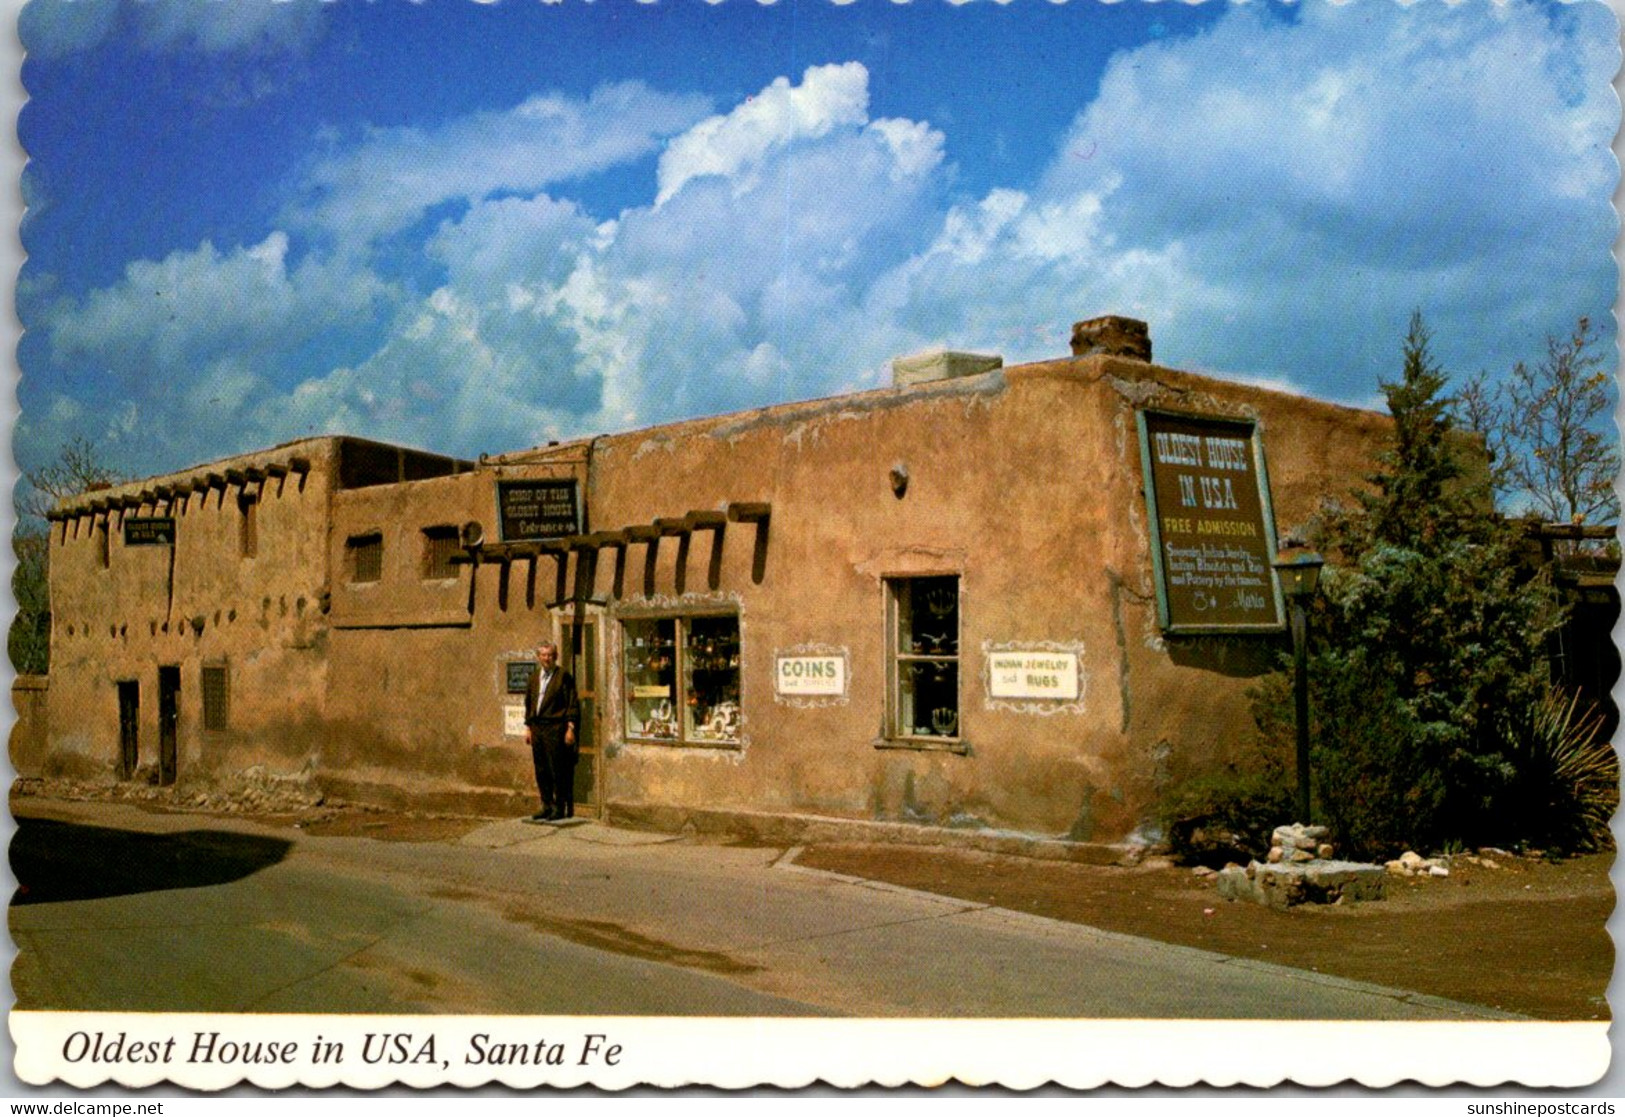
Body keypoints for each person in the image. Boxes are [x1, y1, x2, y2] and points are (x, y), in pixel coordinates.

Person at [523, 640, 579, 821]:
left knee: (557, 768)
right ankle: (546, 805)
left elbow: (572, 703)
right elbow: (529, 703)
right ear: (538, 657)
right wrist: (528, 727)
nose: (546, 658)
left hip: (555, 728)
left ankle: (559, 807)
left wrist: (570, 728)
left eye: (550, 655)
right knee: (541, 769)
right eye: (543, 655)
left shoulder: (563, 676)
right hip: (537, 728)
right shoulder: (534, 677)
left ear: (555, 656)